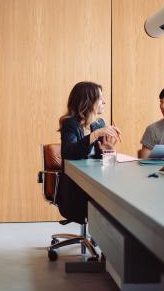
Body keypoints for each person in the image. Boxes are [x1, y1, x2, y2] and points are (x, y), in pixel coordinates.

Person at [57, 81, 121, 223]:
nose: (104, 102)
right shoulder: (70, 123)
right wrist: (95, 135)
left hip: (97, 180)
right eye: (100, 98)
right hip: (75, 185)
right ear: (88, 102)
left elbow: (102, 161)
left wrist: (109, 151)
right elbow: (69, 153)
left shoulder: (99, 123)